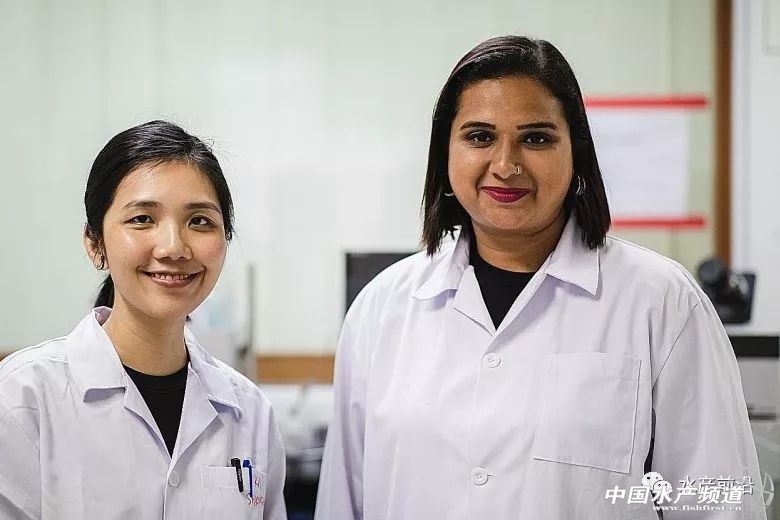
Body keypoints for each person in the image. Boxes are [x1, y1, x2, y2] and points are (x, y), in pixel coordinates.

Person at [315, 36, 766, 519]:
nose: (505, 165)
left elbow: (718, 502)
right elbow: (344, 503)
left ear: (576, 154)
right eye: (479, 137)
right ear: (445, 154)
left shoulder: (661, 302)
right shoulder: (382, 309)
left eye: (536, 138)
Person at [0, 121, 287, 519]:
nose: (173, 247)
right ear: (95, 244)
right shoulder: (23, 398)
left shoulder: (249, 411)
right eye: (142, 219)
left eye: (199, 221)